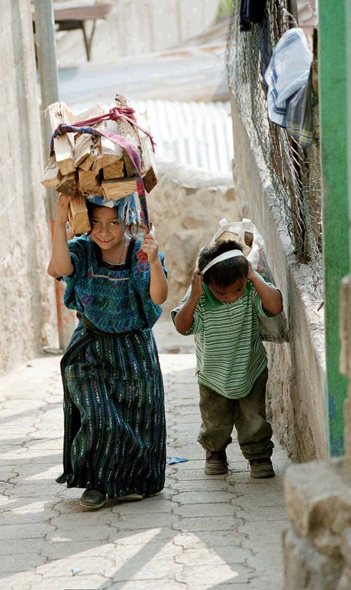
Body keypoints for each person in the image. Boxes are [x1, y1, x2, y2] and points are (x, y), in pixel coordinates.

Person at [48, 193, 168, 509]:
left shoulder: (141, 252)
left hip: (134, 349)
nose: (104, 232)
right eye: (97, 222)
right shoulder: (82, 250)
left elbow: (158, 297)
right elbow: (57, 268)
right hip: (89, 345)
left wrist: (155, 261)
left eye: (113, 222)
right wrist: (60, 223)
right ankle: (96, 483)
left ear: (126, 221)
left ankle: (130, 482)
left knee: (136, 419)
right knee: (97, 414)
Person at [171, 240, 283, 479]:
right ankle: (215, 453)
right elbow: (181, 327)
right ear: (206, 283)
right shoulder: (200, 297)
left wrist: (253, 277)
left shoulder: (250, 289)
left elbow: (275, 305)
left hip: (250, 368)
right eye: (221, 292)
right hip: (213, 374)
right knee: (215, 422)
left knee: (254, 418)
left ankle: (259, 456)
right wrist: (194, 295)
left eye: (237, 289)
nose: (231, 297)